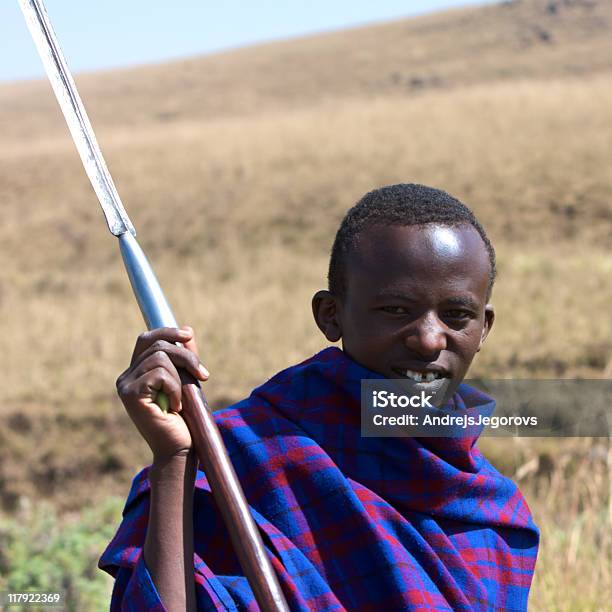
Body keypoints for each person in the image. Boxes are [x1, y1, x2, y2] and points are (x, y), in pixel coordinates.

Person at [99, 184, 539, 611]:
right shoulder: (234, 456)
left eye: (457, 315)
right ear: (331, 315)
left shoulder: (497, 516)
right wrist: (174, 460)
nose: (428, 340)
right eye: (395, 310)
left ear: (483, 329)